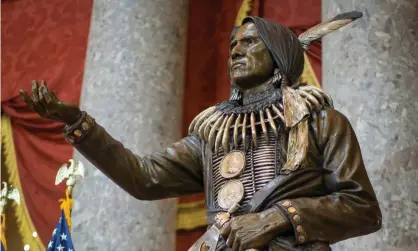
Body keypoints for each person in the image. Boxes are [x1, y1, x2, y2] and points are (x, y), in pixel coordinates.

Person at [20, 15, 382, 251]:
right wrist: (76, 123)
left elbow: (363, 208)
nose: (235, 51)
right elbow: (144, 178)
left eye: (250, 43)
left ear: (280, 56)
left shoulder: (320, 121)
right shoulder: (215, 133)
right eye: (232, 46)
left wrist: (277, 217)